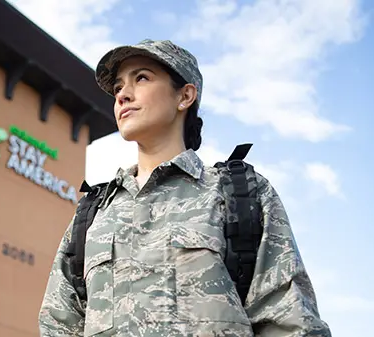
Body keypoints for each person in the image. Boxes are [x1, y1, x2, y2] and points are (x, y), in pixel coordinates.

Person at [38, 39, 331, 337]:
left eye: (141, 78)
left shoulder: (239, 195)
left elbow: (291, 322)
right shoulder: (94, 213)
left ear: (185, 96)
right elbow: (58, 325)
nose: (123, 95)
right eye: (117, 88)